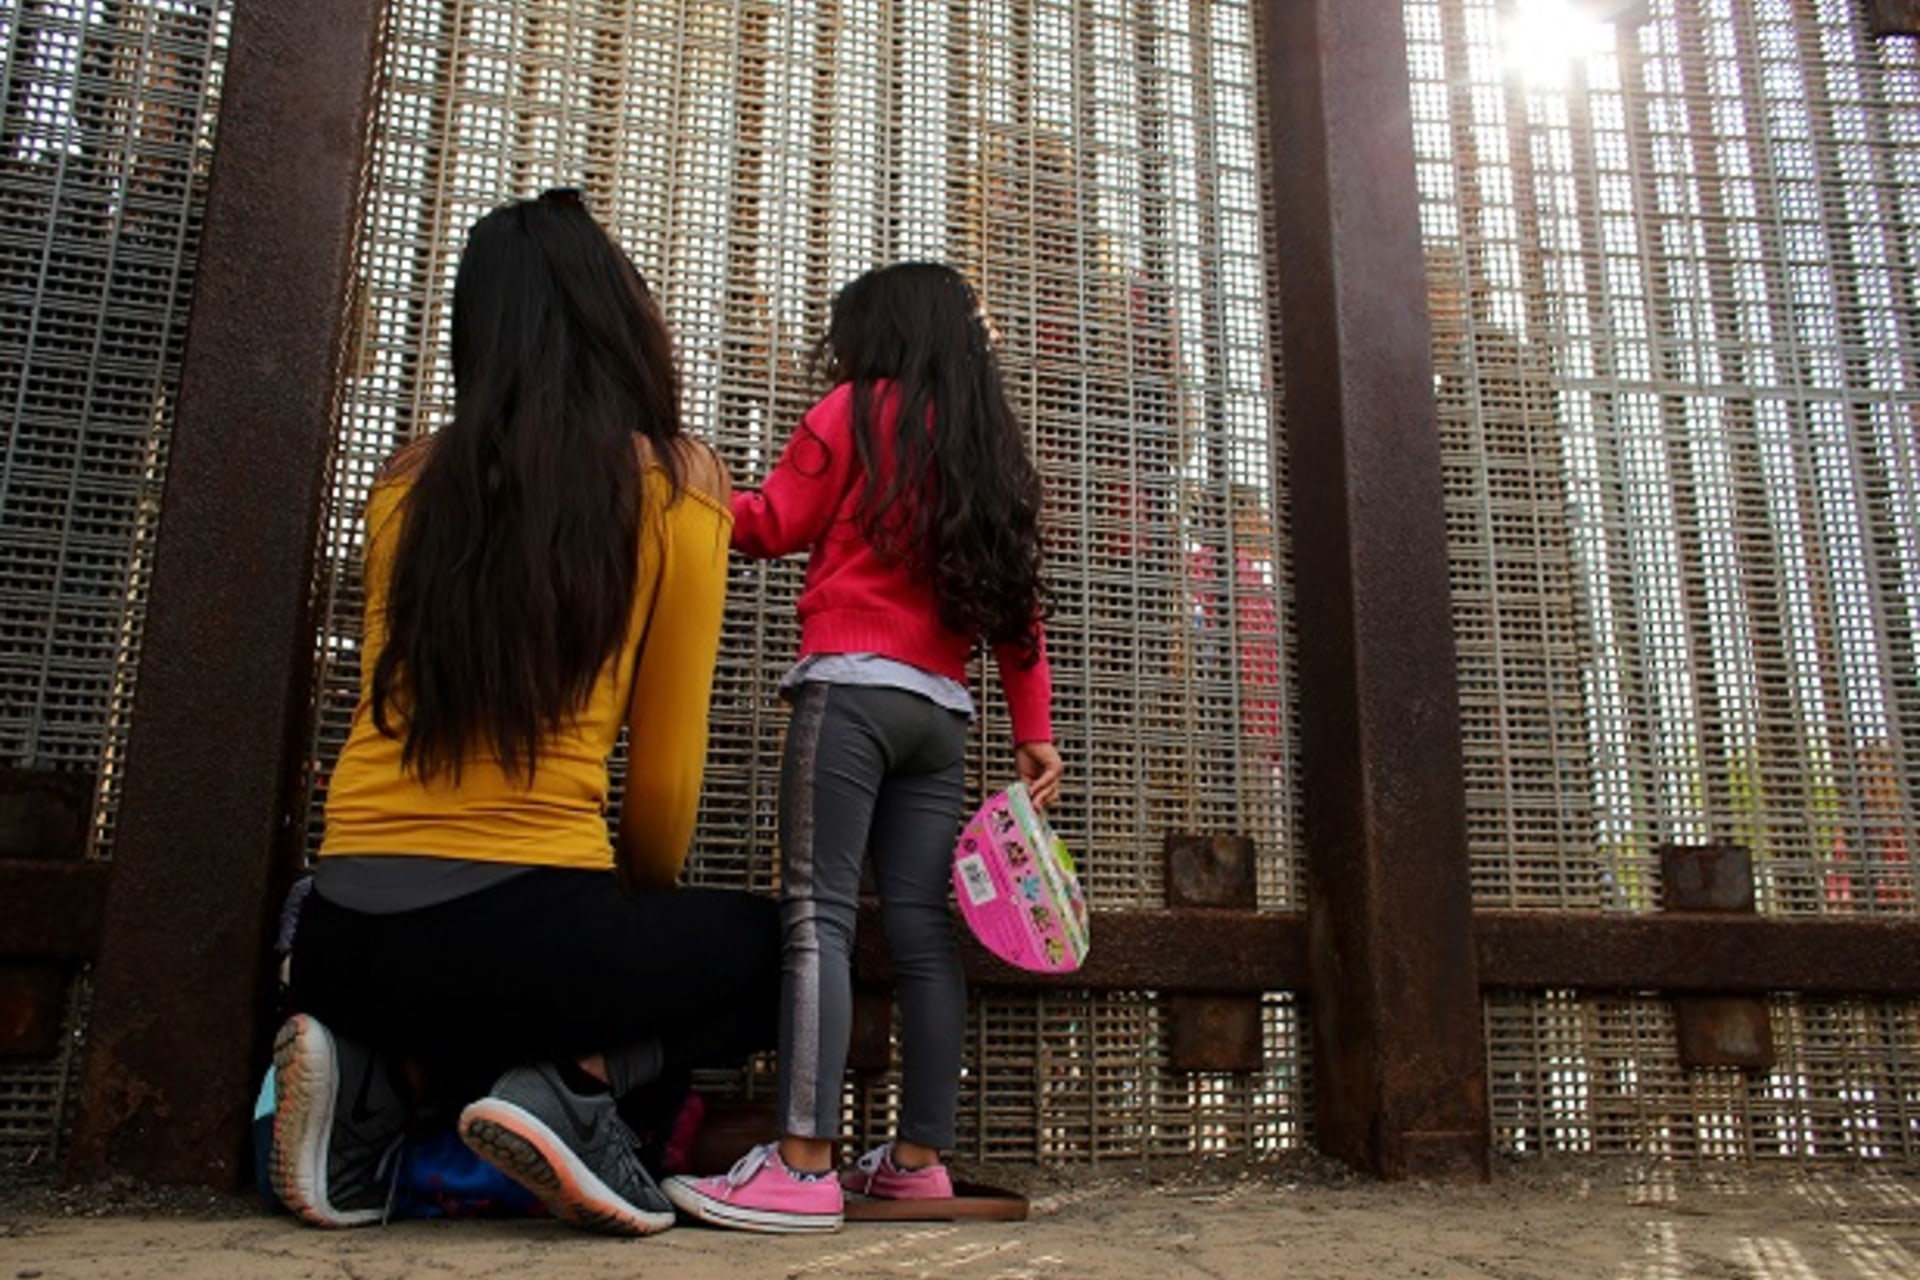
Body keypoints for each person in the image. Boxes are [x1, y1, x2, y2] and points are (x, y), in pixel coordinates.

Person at [272, 189, 779, 1238]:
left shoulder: (406, 480)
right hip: (529, 929)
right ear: (615, 314)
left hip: (340, 932)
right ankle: (570, 1085)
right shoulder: (678, 484)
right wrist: (619, 961)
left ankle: (368, 1078)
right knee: (788, 952)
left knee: (482, 984)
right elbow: (667, 777)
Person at [661, 262, 1064, 1233]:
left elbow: (771, 522)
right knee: (926, 932)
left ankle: (802, 1164)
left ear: (875, 333)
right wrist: (1035, 731)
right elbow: (1017, 607)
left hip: (849, 690)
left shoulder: (851, 410)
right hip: (942, 713)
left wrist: (693, 484)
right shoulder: (985, 444)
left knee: (818, 916)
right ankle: (919, 1159)